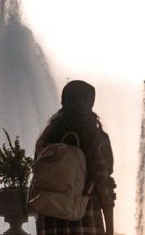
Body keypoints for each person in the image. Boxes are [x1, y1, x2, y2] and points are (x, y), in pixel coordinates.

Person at [34, 80, 116, 235]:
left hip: (48, 222)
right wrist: (110, 229)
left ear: (63, 101)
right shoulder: (96, 138)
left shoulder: (47, 139)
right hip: (85, 218)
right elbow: (104, 186)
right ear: (90, 104)